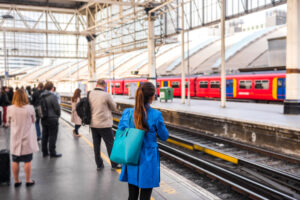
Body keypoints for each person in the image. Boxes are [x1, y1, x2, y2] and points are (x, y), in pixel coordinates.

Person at [118, 82, 169, 200]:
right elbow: (164, 136)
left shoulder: (128, 113)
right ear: (152, 97)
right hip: (148, 158)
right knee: (145, 195)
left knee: (132, 195)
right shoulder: (156, 114)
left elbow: (120, 131)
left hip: (131, 155)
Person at [7, 89, 38, 187]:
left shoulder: (10, 108)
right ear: (25, 97)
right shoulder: (30, 108)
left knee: (15, 160)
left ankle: (16, 181)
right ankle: (28, 181)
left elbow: (8, 122)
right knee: (27, 160)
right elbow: (34, 120)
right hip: (27, 137)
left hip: (15, 138)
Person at [89, 79, 121, 170]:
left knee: (96, 144)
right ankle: (114, 164)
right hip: (104, 124)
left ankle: (99, 164)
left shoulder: (90, 93)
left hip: (93, 123)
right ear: (104, 85)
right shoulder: (106, 95)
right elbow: (114, 107)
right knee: (110, 144)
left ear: (96, 84)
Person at [40, 81, 61, 158]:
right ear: (52, 88)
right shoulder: (53, 96)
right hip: (52, 119)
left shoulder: (41, 95)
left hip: (44, 118)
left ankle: (44, 152)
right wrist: (58, 115)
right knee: (52, 136)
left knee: (44, 135)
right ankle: (52, 152)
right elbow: (57, 108)